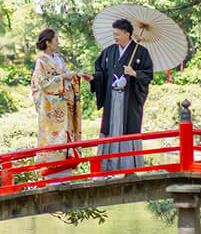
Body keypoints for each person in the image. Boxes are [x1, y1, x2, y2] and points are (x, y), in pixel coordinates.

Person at [91, 18, 153, 173]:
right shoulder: (109, 51)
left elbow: (148, 75)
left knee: (128, 129)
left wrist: (134, 73)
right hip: (112, 98)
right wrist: (94, 78)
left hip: (129, 99)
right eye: (114, 34)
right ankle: (108, 167)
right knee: (110, 128)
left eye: (118, 34)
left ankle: (128, 168)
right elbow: (101, 72)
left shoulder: (141, 52)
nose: (115, 37)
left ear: (127, 34)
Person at [31, 29, 91, 178]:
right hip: (51, 109)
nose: (58, 42)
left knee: (67, 136)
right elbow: (43, 84)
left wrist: (75, 76)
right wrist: (64, 77)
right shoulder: (41, 62)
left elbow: (66, 77)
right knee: (54, 139)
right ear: (48, 42)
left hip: (65, 106)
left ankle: (66, 175)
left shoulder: (58, 58)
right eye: (56, 40)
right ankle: (53, 177)